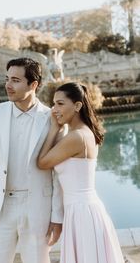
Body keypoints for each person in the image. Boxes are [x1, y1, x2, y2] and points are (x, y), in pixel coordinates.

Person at [0, 57, 66, 263]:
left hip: (38, 209)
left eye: (15, 80)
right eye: (7, 79)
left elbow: (58, 172)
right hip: (0, 207)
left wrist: (57, 216)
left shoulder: (52, 118)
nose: (8, 85)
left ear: (33, 84)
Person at [37, 82, 124, 263]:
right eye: (54, 104)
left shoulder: (77, 137)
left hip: (82, 212)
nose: (54, 109)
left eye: (60, 104)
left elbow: (42, 162)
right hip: (82, 209)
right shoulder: (83, 133)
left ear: (77, 106)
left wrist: (54, 129)